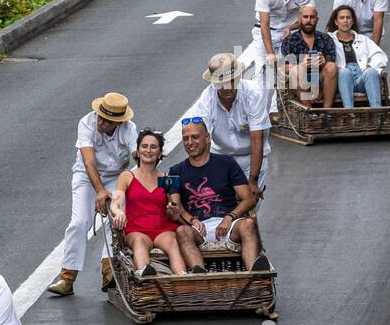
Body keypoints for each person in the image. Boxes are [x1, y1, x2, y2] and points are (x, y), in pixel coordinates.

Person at [48, 92, 139, 297]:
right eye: (100, 117)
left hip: (116, 176)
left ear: (117, 122)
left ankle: (110, 273)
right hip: (87, 175)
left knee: (115, 220)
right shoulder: (87, 123)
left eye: (107, 121)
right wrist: (99, 190)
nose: (101, 122)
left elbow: (139, 157)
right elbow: (89, 161)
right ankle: (67, 277)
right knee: (80, 222)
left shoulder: (129, 130)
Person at [167, 117, 270, 274]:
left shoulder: (226, 163)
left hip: (229, 225)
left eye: (195, 137)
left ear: (207, 138)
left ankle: (253, 275)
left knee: (248, 224)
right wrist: (192, 220)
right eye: (185, 139)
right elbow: (176, 206)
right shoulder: (175, 171)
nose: (190, 142)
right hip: (197, 229)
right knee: (182, 231)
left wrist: (230, 217)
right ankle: (199, 274)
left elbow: (248, 199)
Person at [107, 130, 186, 277]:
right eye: (144, 146)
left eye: (153, 147)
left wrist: (172, 209)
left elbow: (175, 210)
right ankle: (145, 277)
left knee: (173, 243)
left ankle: (183, 279)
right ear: (137, 151)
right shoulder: (127, 176)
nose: (148, 150)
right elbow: (115, 200)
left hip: (161, 228)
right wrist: (118, 212)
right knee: (139, 242)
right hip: (136, 228)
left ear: (159, 152)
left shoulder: (165, 178)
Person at [194, 53, 272, 200]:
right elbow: (203, 138)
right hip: (221, 158)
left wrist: (253, 180)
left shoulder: (253, 93)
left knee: (249, 209)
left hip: (251, 158)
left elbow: (257, 139)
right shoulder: (207, 98)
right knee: (225, 209)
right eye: (220, 84)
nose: (225, 88)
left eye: (230, 82)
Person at [245, 0, 313, 91]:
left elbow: (309, 18)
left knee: (283, 73)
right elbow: (264, 23)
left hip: (290, 32)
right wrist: (270, 54)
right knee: (262, 73)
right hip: (265, 30)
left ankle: (277, 109)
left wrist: (291, 27)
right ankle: (260, 112)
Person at [327, 6, 387, 108]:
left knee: (371, 72)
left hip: (360, 79)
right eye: (342, 18)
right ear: (336, 22)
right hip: (341, 81)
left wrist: (369, 65)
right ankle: (349, 111)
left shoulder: (363, 39)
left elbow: (380, 55)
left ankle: (377, 112)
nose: (345, 20)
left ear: (352, 21)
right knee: (344, 72)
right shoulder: (328, 39)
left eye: (348, 18)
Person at [280, 4, 339, 108]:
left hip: (321, 78)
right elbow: (283, 67)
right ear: (299, 19)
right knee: (296, 70)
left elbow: (332, 64)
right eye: (305, 17)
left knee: (331, 66)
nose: (308, 20)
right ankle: (309, 111)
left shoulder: (326, 38)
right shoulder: (289, 41)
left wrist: (323, 61)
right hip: (300, 81)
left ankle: (326, 112)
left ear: (317, 19)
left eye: (312, 17)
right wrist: (302, 65)